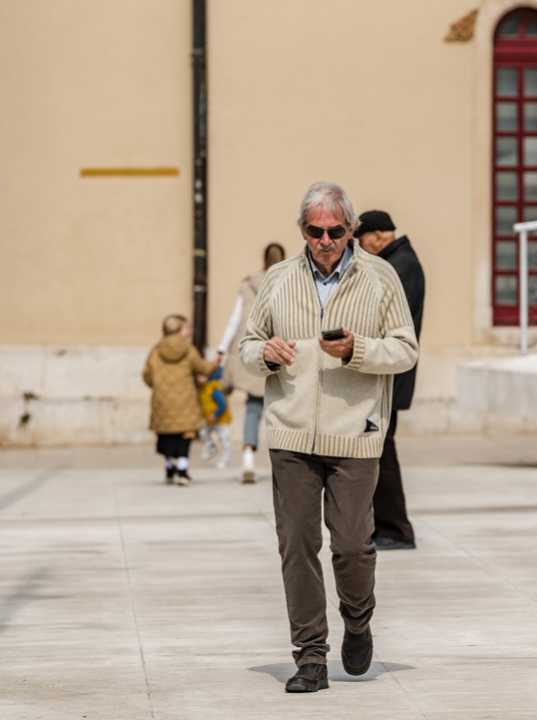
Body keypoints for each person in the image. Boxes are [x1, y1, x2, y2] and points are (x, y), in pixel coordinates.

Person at [239, 182, 418, 693]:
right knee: (296, 544)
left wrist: (356, 350)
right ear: (302, 230)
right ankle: (310, 657)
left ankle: (358, 622)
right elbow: (248, 347)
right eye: (314, 231)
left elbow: (405, 350)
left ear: (350, 230)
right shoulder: (277, 279)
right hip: (291, 433)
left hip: (355, 432)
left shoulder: (380, 277)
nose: (324, 240)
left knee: (353, 546)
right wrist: (264, 356)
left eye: (334, 231)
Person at [355, 211, 425, 550]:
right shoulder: (400, 261)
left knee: (381, 453)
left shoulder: (399, 265)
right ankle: (385, 526)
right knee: (378, 451)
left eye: (361, 240)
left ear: (378, 236)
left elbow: (383, 319)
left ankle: (396, 529)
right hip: (390, 373)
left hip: (390, 374)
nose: (360, 247)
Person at [217, 243, 286, 483]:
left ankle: (247, 457)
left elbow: (234, 321)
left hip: (257, 352)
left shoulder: (247, 285)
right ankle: (287, 464)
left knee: (254, 408)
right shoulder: (290, 282)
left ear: (263, 258)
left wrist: (221, 349)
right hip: (284, 353)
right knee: (285, 410)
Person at [142, 314, 219, 487]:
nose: (190, 332)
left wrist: (158, 385)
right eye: (187, 328)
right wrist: (216, 363)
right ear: (178, 330)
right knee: (185, 435)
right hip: (185, 400)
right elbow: (202, 368)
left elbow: (146, 375)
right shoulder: (188, 350)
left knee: (167, 435)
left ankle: (169, 468)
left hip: (162, 400)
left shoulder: (155, 350)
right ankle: (183, 472)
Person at [197, 366, 232, 469]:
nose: (198, 378)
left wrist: (215, 414)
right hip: (209, 421)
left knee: (225, 440)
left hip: (221, 420)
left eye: (201, 376)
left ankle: (226, 460)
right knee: (202, 432)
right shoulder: (202, 389)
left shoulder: (214, 388)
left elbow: (223, 404)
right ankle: (211, 446)